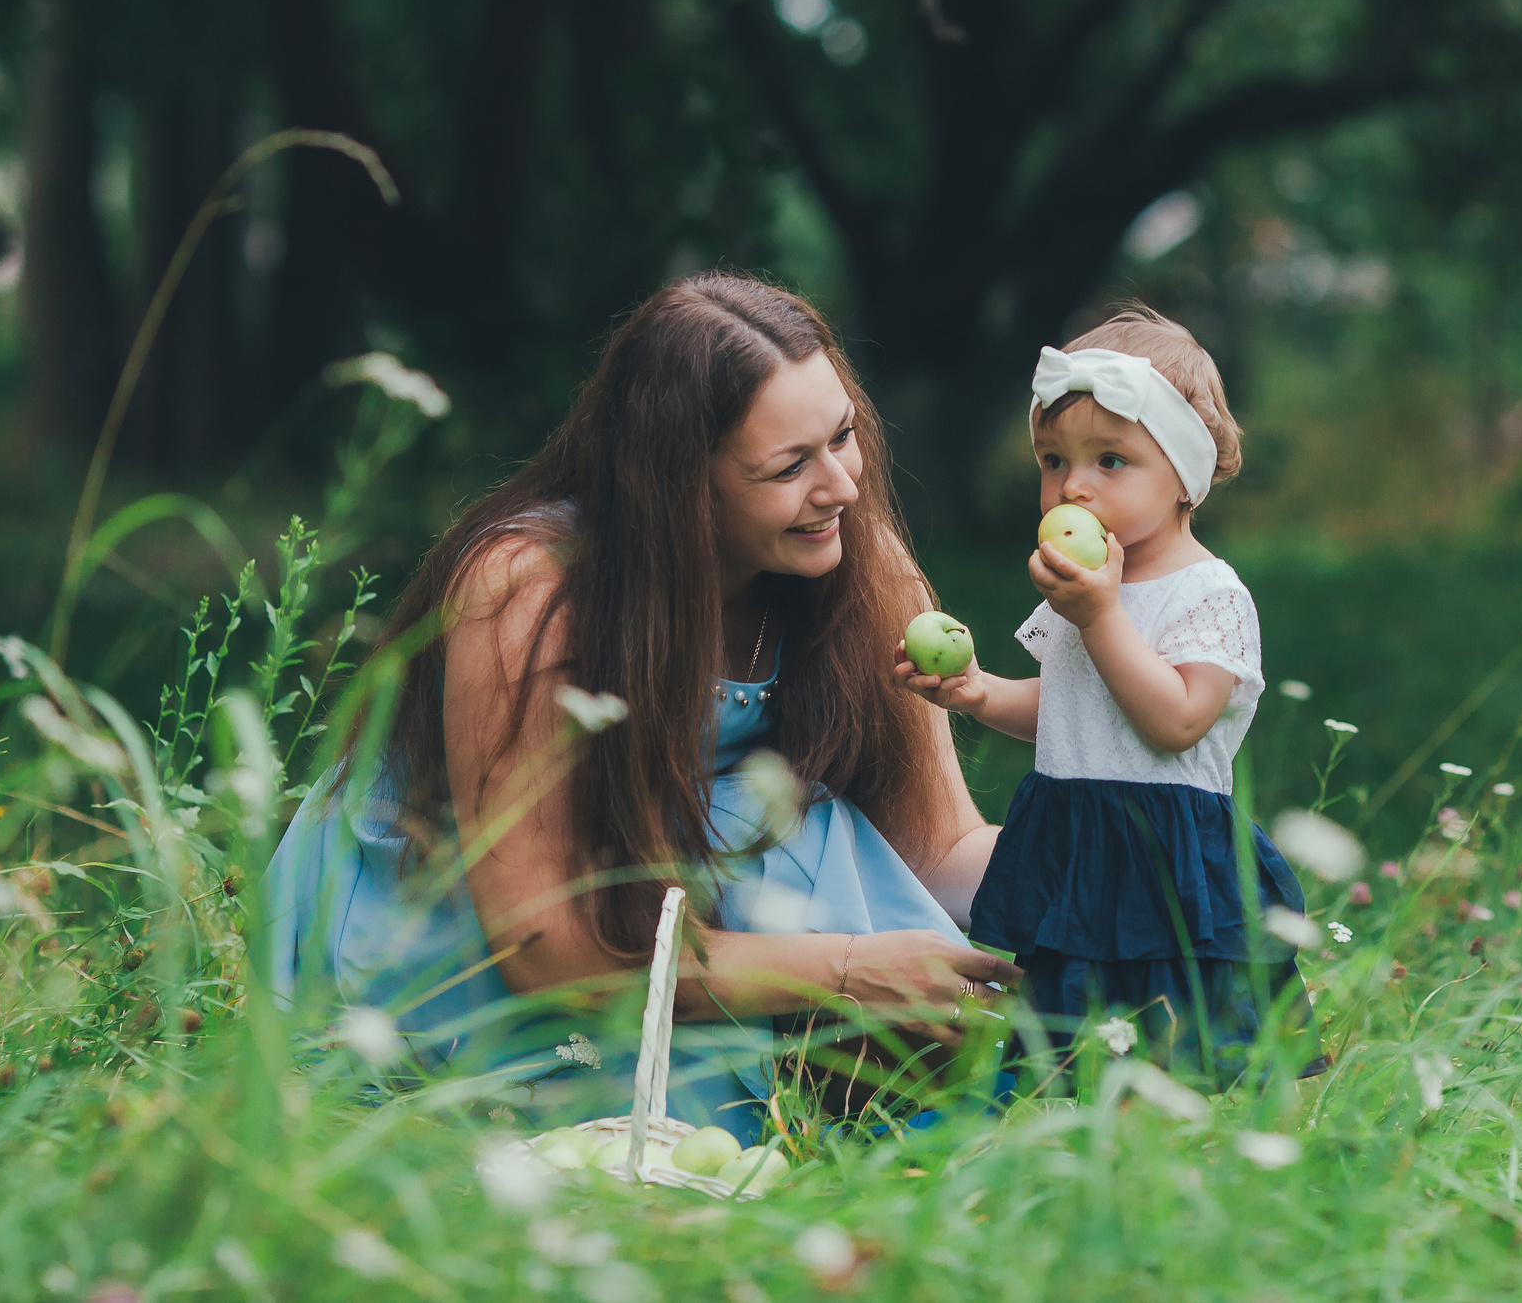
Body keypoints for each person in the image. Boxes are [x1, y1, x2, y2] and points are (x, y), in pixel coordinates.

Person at [267, 274, 1009, 1139]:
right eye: (789, 465)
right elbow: (546, 949)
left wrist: (1100, 863)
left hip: (672, 885)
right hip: (465, 920)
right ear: (680, 483)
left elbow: (938, 848)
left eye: (843, 436)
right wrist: (845, 968)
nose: (841, 485)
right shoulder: (529, 593)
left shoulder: (857, 564)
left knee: (796, 826)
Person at [895, 306, 1314, 1078]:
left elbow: (1177, 721)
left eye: (1110, 461)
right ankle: (1081, 1136)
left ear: (1184, 474)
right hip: (1075, 830)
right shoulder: (1086, 586)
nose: (1072, 488)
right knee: (1070, 1028)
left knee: (1163, 1027)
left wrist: (1100, 615)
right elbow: (1068, 708)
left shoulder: (1208, 594)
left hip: (1159, 843)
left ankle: (1162, 1144)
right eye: (1053, 460)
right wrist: (980, 692)